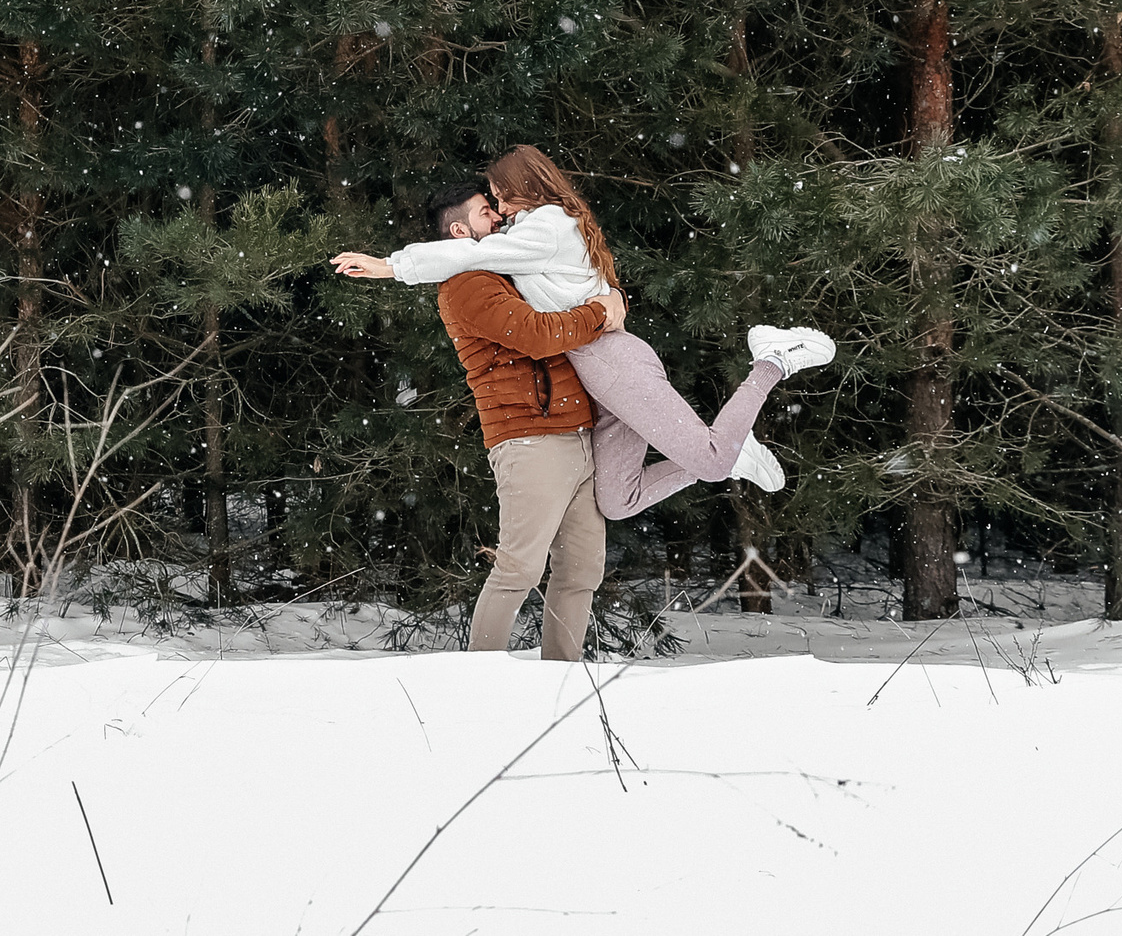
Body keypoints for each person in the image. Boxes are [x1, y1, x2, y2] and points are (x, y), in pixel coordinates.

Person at [334, 145, 835, 524]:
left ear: (524, 187)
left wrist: (390, 266)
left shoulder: (546, 226)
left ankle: (771, 360)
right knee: (619, 501)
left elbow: (470, 253)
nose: (499, 206)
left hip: (611, 360)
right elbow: (500, 258)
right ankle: (732, 451)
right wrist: (612, 297)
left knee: (710, 458)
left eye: (500, 195)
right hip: (597, 369)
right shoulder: (538, 228)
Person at [395, 183, 623, 658]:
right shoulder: (468, 284)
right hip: (529, 438)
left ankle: (563, 674)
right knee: (519, 568)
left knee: (581, 570)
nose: (498, 218)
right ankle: (482, 678)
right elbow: (538, 336)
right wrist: (601, 313)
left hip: (577, 431)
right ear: (460, 231)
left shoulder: (508, 270)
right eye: (485, 213)